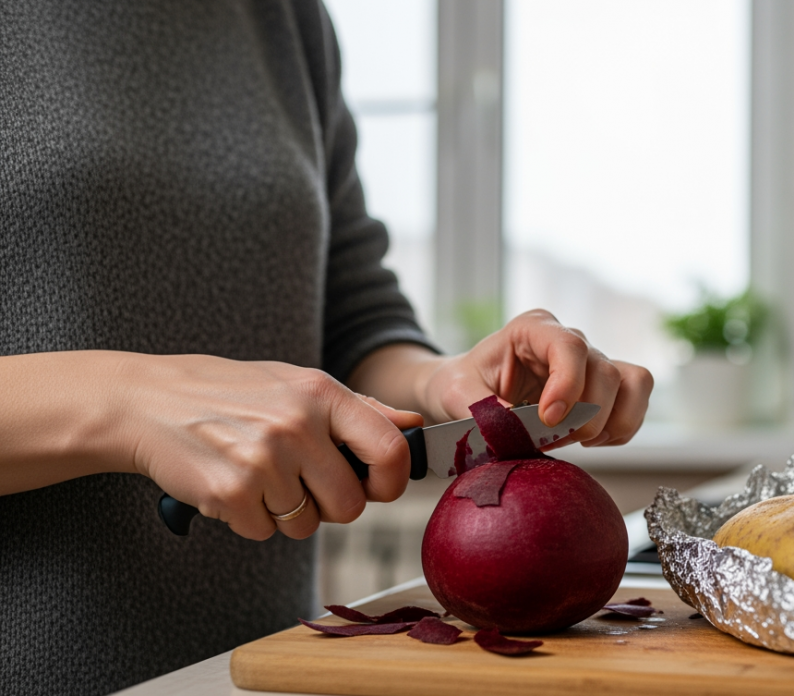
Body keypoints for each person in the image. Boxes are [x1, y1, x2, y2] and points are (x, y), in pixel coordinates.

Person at [0, 2, 652, 694]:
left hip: (249, 669)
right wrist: (122, 403)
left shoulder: (281, 16)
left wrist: (443, 382)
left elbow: (351, 313)